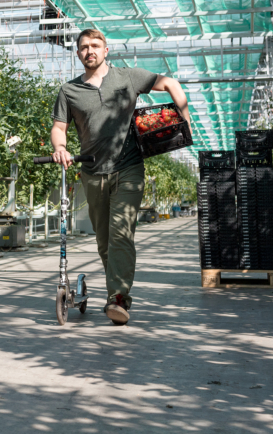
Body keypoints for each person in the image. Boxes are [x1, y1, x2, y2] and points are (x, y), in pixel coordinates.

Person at [50, 28, 191, 326]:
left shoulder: (128, 77)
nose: (90, 51)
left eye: (95, 45)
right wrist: (60, 148)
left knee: (121, 234)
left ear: (106, 50)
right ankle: (116, 292)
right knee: (104, 242)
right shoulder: (69, 91)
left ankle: (118, 298)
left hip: (128, 168)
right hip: (92, 172)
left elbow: (170, 83)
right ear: (78, 53)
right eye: (84, 47)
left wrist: (184, 118)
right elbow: (59, 128)